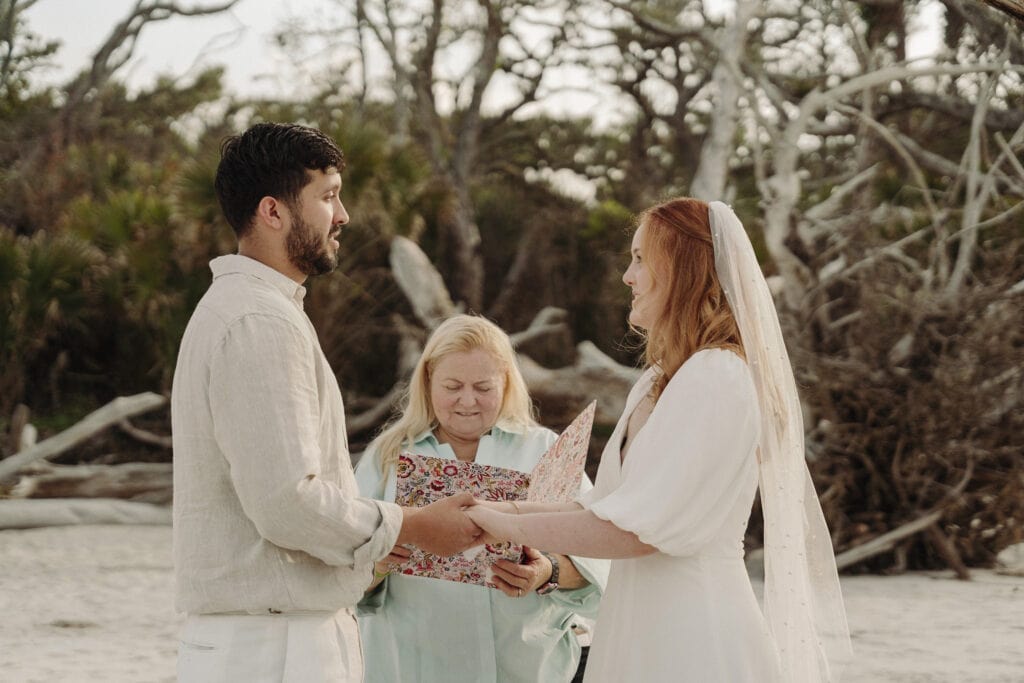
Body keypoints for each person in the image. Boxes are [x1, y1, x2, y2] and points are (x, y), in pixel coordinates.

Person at [466, 198, 852, 682]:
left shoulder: (719, 376)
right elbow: (605, 508)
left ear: (684, 268)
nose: (628, 276)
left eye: (641, 258)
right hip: (640, 622)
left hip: (693, 635)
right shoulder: (656, 381)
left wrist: (498, 524)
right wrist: (489, 509)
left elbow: (635, 533)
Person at [170, 122, 481, 683]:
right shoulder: (259, 320)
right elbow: (286, 501)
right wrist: (411, 526)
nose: (344, 216)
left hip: (271, 637)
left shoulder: (252, 310)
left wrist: (374, 548)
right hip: (273, 648)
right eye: (328, 196)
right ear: (273, 211)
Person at [354, 314, 610, 683]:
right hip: (412, 666)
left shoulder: (545, 450)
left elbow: (598, 559)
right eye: (453, 386)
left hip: (526, 667)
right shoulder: (387, 456)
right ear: (427, 382)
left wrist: (546, 572)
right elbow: (338, 569)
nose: (467, 401)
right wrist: (378, 564)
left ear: (507, 383)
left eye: (483, 387)